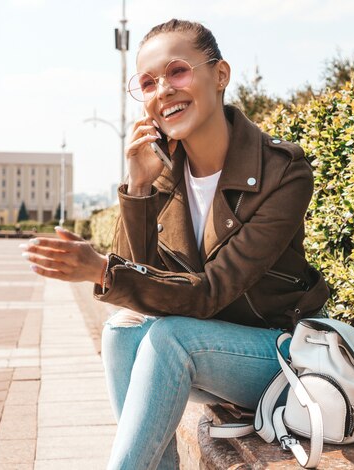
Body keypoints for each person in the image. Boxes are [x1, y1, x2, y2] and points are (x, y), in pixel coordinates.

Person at [22, 19, 329, 470]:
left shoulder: (282, 173)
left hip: (278, 354)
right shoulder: (163, 172)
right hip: (199, 346)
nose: (163, 89)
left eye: (177, 71)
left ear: (220, 75)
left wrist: (103, 270)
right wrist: (139, 186)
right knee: (122, 332)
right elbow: (141, 288)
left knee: (169, 337)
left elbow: (210, 291)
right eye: (148, 82)